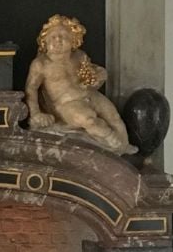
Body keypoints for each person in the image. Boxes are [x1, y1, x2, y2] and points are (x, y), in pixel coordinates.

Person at [25, 13, 135, 154]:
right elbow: (31, 89)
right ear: (44, 41)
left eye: (63, 36)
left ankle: (124, 145)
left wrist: (99, 75)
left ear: (74, 40)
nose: (58, 40)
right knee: (88, 120)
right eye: (52, 37)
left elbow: (91, 74)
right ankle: (110, 138)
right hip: (66, 104)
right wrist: (36, 113)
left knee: (113, 116)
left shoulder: (79, 56)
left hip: (89, 94)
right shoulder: (41, 64)